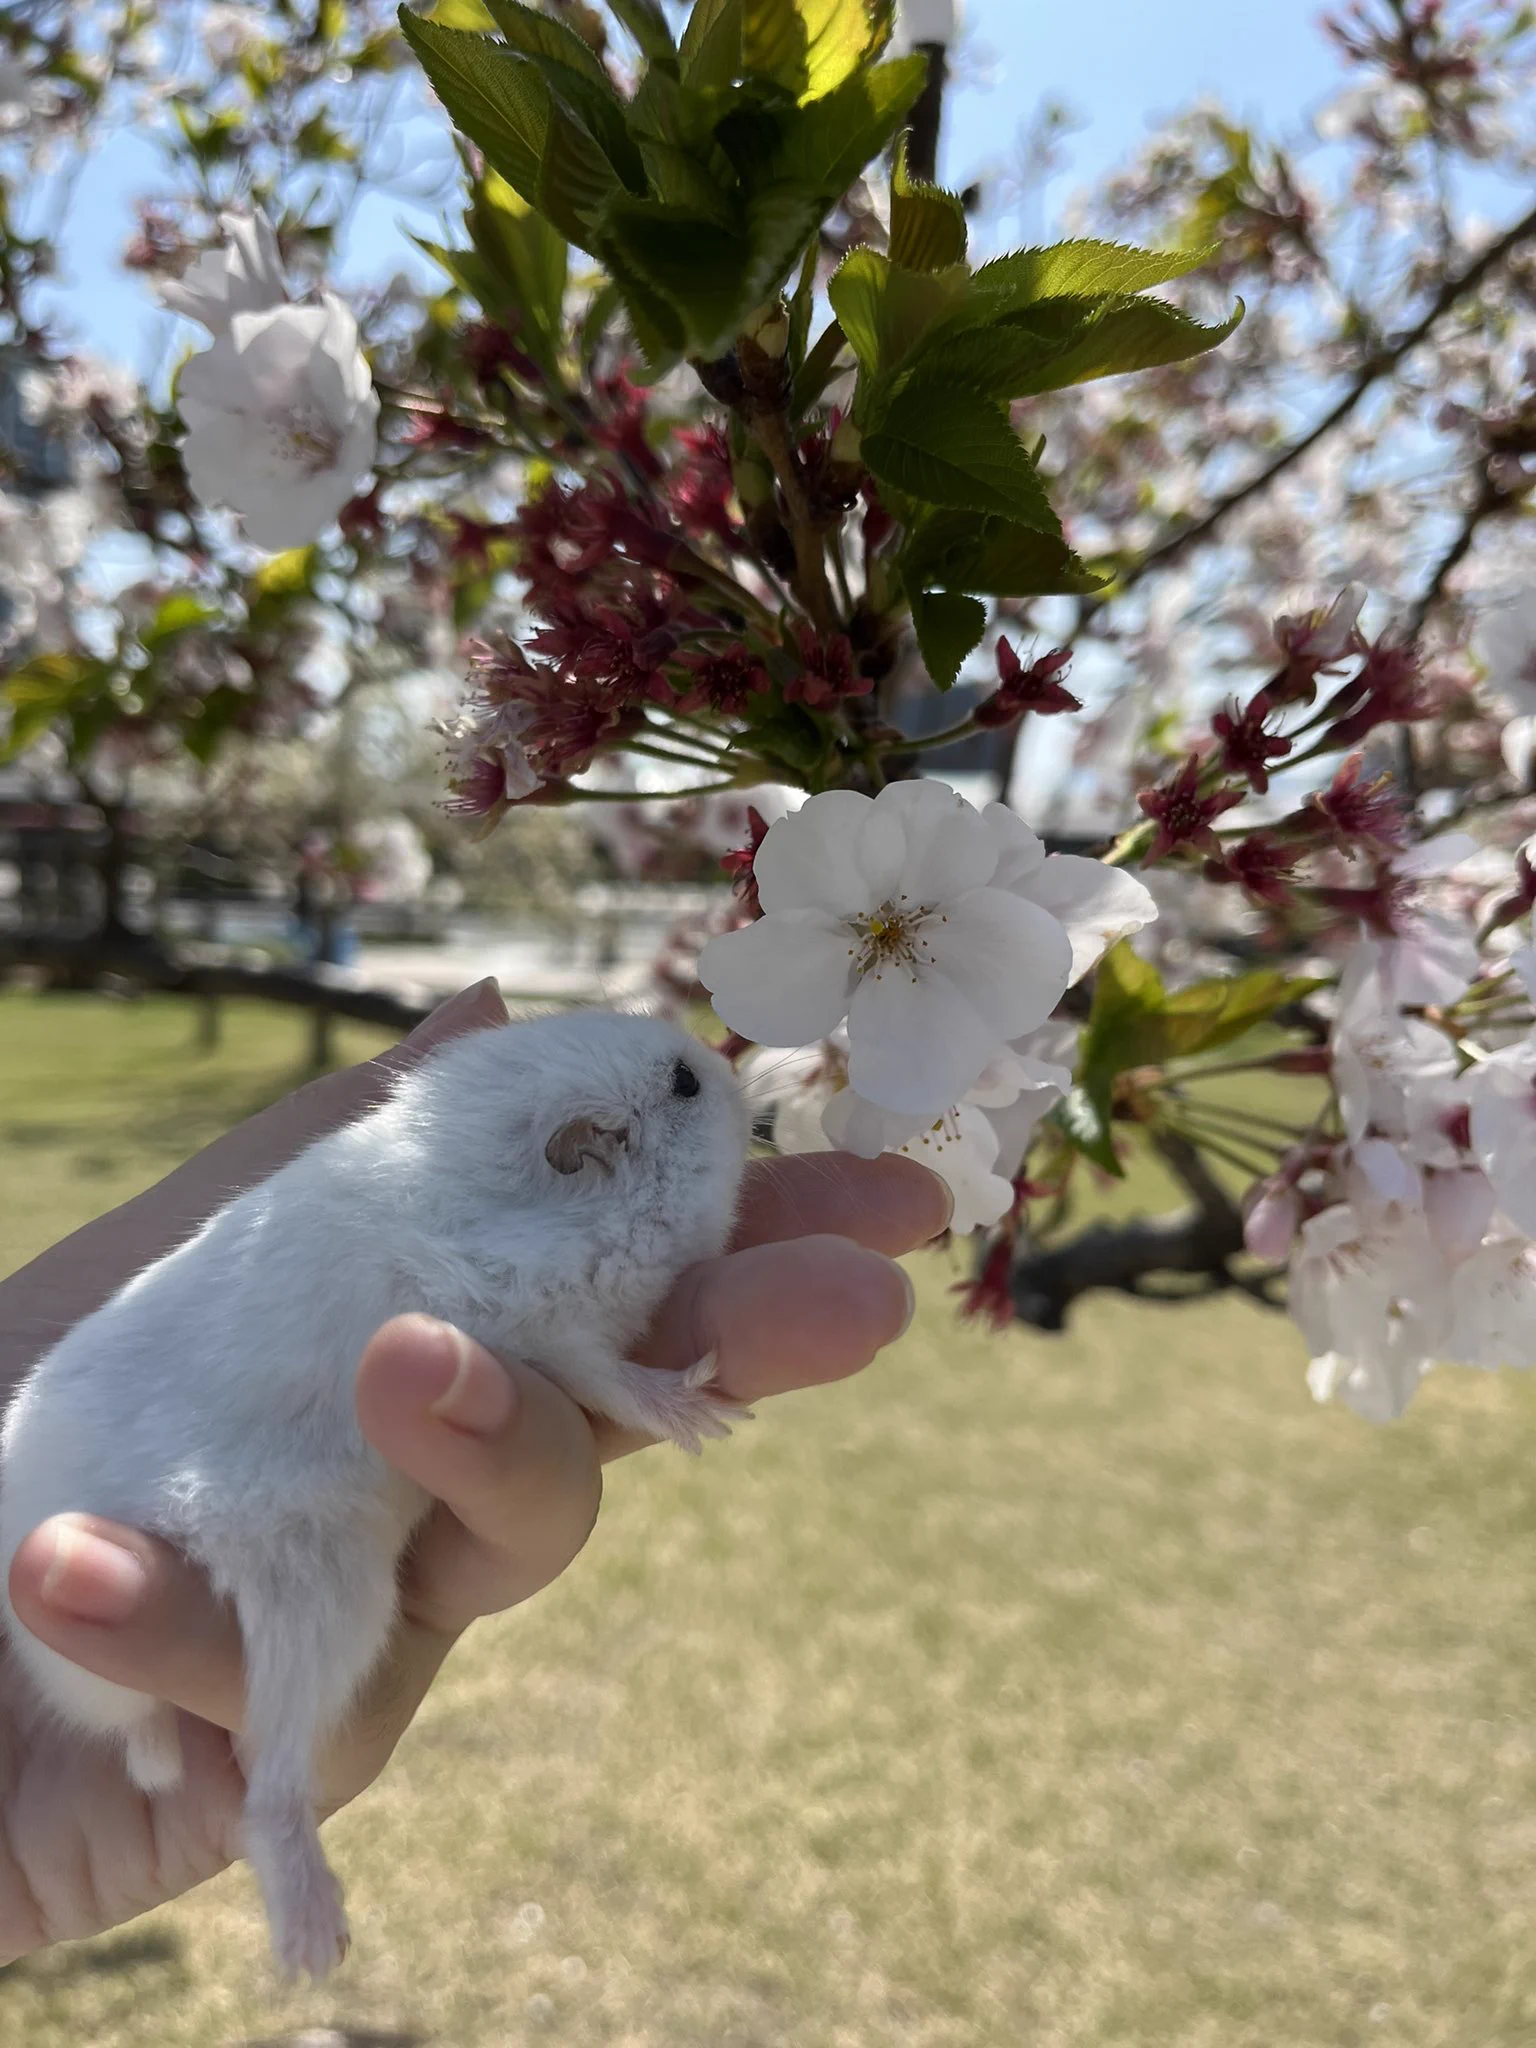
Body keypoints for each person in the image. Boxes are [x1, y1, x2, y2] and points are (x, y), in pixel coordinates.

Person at [0, 979, 950, 1962]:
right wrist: (639, 1389)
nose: (714, 1074)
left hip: (70, 1481)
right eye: (680, 1083)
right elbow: (527, 1306)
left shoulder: (397, 1175)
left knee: (329, 1566)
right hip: (213, 1485)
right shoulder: (513, 1220)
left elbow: (507, 1304)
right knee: (319, 1558)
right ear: (594, 1148)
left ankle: (170, 1743)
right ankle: (274, 1811)